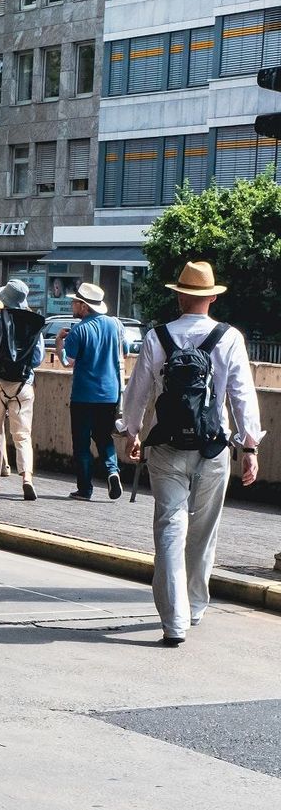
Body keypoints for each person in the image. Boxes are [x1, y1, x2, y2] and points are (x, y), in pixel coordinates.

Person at [120, 261, 263, 647]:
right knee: (203, 530)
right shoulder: (229, 336)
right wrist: (249, 447)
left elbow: (138, 391)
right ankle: (196, 604)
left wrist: (131, 432)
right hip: (213, 447)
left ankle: (174, 619)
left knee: (170, 527)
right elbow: (242, 395)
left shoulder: (158, 336)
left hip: (166, 447)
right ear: (212, 297)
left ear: (180, 295)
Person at [0, 279, 45, 500]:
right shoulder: (34, 323)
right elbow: (38, 358)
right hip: (24, 383)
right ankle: (26, 478)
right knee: (23, 434)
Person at [56, 282, 126, 501]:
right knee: (104, 437)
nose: (72, 305)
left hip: (84, 395)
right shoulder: (115, 325)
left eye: (75, 302)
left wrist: (59, 343)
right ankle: (112, 471)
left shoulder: (79, 330)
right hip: (110, 393)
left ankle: (85, 489)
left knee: (82, 442)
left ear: (84, 307)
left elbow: (68, 362)